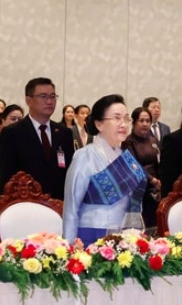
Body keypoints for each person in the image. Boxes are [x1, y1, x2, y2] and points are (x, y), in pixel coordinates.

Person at [63, 95, 147, 243]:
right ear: (99, 124)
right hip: (92, 236)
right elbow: (71, 207)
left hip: (124, 237)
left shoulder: (126, 158)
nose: (123, 124)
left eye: (126, 119)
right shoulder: (85, 156)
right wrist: (69, 248)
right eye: (116, 118)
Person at [0, 77, 76, 199]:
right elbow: (5, 177)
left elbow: (70, 173)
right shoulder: (12, 133)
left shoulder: (64, 133)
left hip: (59, 206)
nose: (50, 101)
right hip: (26, 205)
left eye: (53, 96)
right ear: (29, 100)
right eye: (43, 96)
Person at [122, 107, 162, 228]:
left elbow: (160, 161)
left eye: (147, 121)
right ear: (134, 122)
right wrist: (152, 180)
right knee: (141, 225)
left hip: (156, 189)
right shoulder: (128, 141)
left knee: (156, 223)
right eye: (141, 120)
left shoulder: (153, 140)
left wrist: (160, 179)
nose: (145, 124)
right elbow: (133, 165)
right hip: (139, 188)